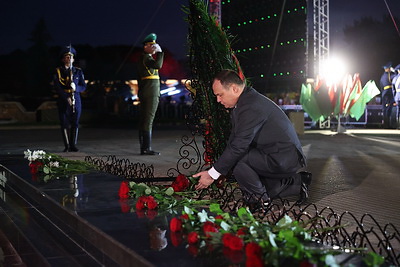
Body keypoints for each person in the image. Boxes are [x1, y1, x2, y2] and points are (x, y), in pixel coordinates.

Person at [193, 69, 311, 205]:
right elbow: (234, 140)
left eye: (220, 95)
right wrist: (221, 171)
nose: (218, 100)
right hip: (272, 154)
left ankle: (260, 202)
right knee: (256, 185)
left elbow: (239, 146)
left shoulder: (251, 106)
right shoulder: (244, 103)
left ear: (234, 89)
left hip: (283, 158)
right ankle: (298, 182)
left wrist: (212, 174)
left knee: (240, 161)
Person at [53, 45, 86, 152]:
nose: (69, 59)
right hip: (63, 99)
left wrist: (76, 88)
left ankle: (73, 145)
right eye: (66, 57)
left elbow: (83, 86)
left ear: (73, 59)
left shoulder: (78, 71)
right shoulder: (58, 71)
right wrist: (66, 97)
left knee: (75, 121)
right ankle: (66, 145)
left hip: (76, 98)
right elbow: (57, 87)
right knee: (64, 122)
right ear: (63, 59)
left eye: (70, 57)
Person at [137, 33, 164, 155]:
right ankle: (146, 148)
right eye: (151, 45)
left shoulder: (146, 58)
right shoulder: (146, 58)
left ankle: (144, 146)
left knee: (145, 119)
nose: (154, 47)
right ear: (145, 46)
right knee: (148, 120)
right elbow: (158, 65)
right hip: (151, 93)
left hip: (146, 92)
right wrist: (160, 53)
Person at [380, 62, 396, 129]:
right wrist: (394, 71)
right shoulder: (390, 75)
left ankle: (385, 125)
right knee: (389, 109)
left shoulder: (382, 76)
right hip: (389, 93)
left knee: (385, 109)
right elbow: (396, 78)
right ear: (388, 69)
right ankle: (388, 125)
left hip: (384, 93)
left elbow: (381, 86)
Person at [391, 64, 400, 128]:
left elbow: (393, 90)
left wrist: (395, 97)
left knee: (398, 111)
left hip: (397, 96)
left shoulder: (395, 78)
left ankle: (398, 125)